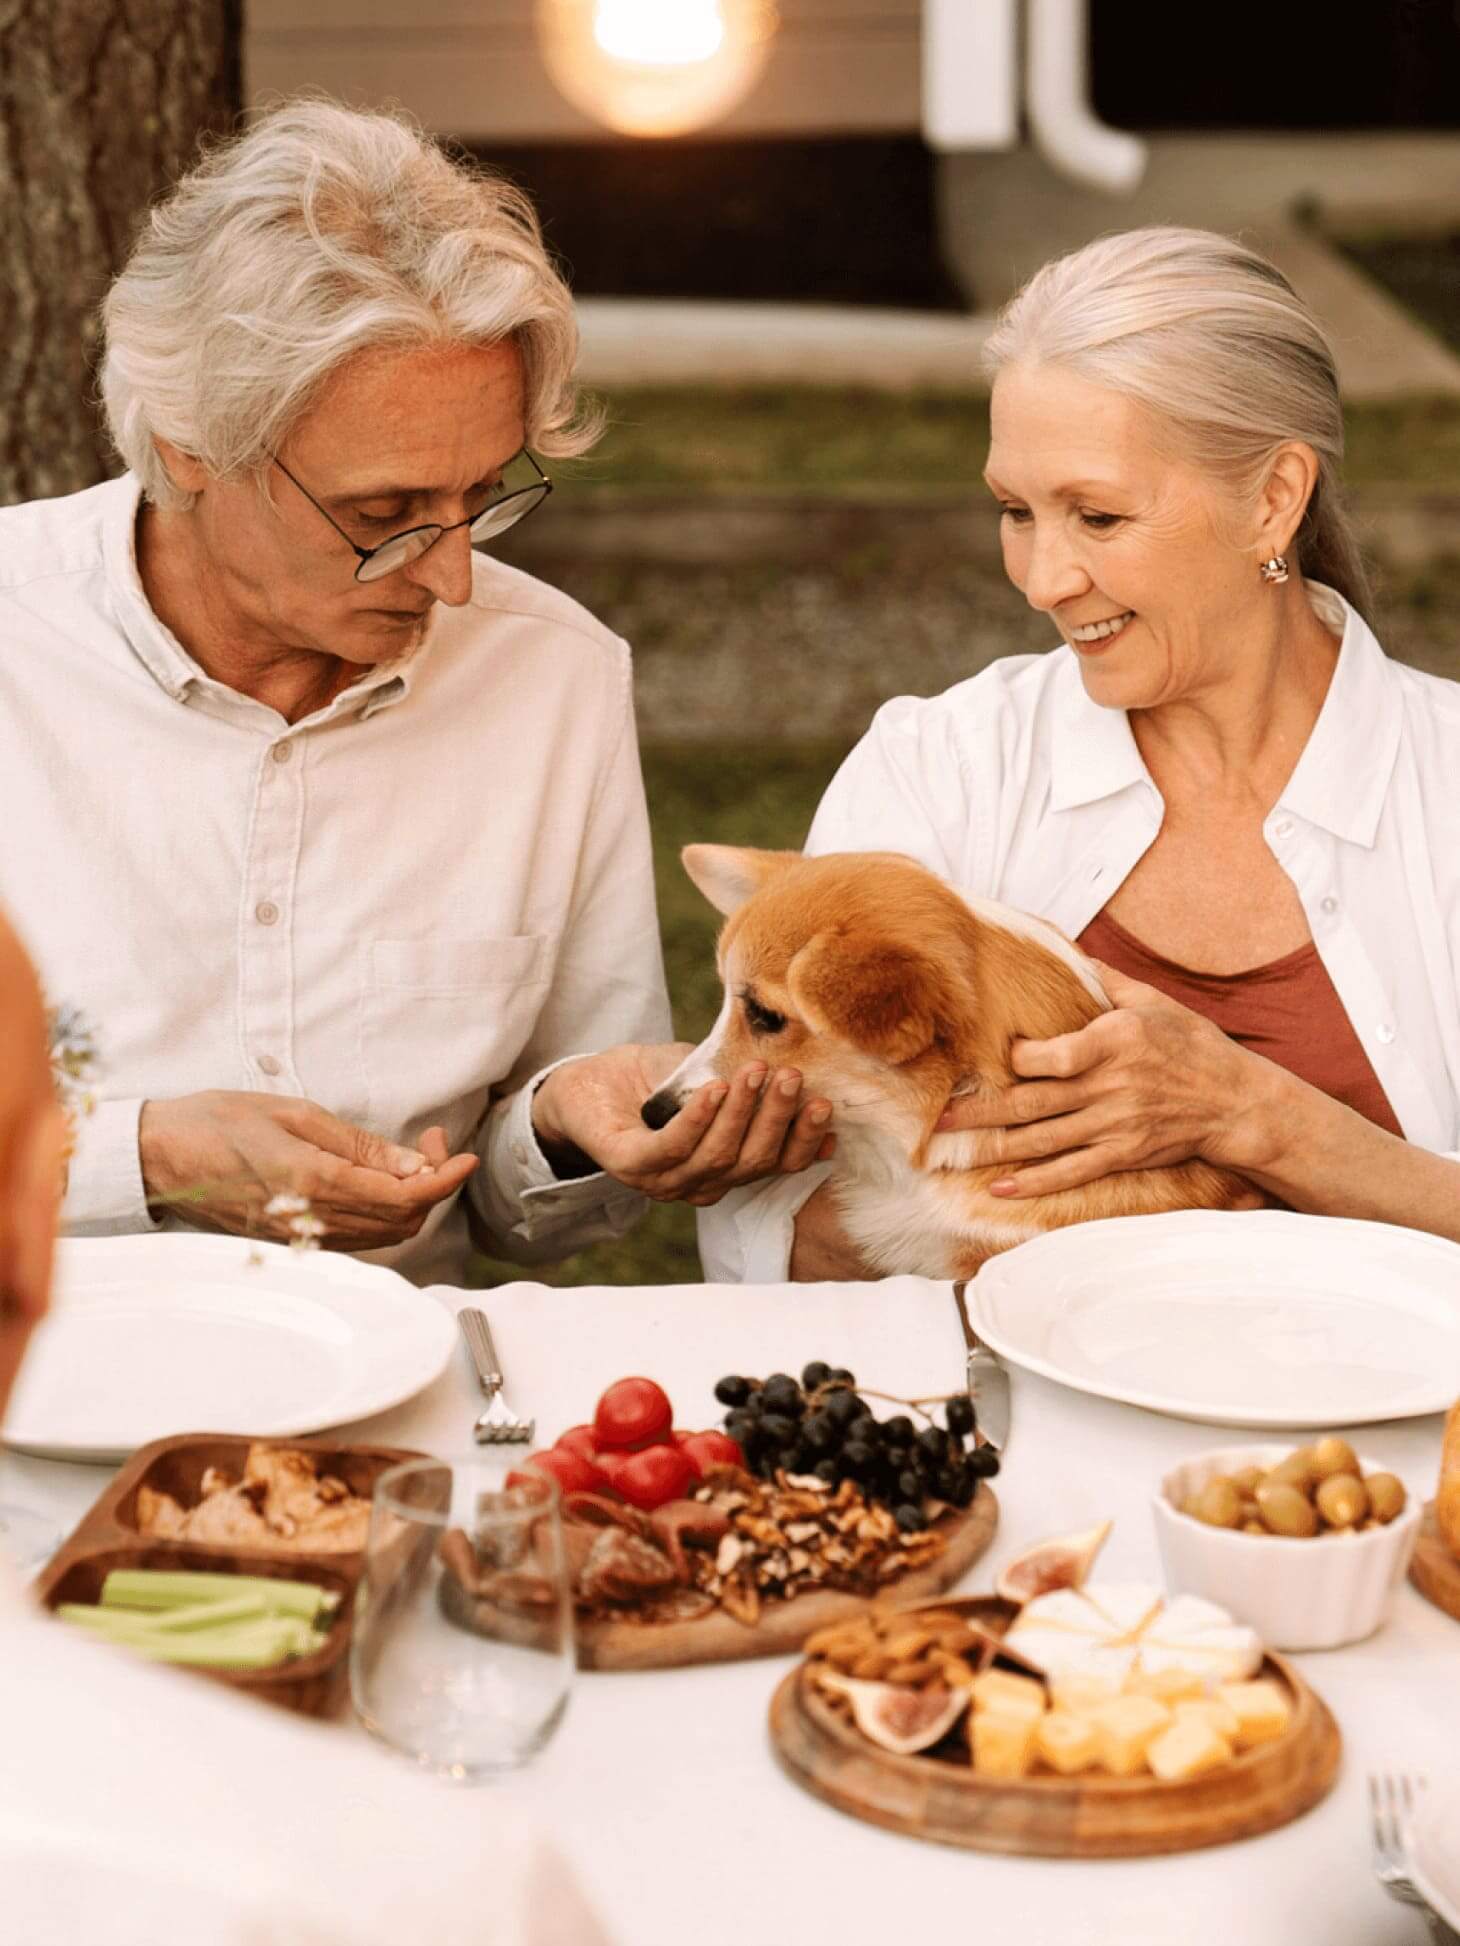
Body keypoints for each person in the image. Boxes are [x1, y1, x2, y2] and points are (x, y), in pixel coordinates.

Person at [0, 99, 828, 1286]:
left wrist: (560, 1125)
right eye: (383, 517)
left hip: (395, 1408)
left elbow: (524, 1202)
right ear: (189, 445)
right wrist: (147, 1156)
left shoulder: (553, 675)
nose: (450, 575)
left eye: (482, 494)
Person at [699, 226, 1460, 1284]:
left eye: (1096, 516)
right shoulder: (940, 767)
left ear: (1273, 498)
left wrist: (1257, 1119)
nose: (1042, 578)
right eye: (1014, 510)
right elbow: (781, 1225)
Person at [0, 908, 612, 1946]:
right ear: (26, 1249)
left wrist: (555, 1122)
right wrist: (141, 1151)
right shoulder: (429, 1889)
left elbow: (538, 1164)